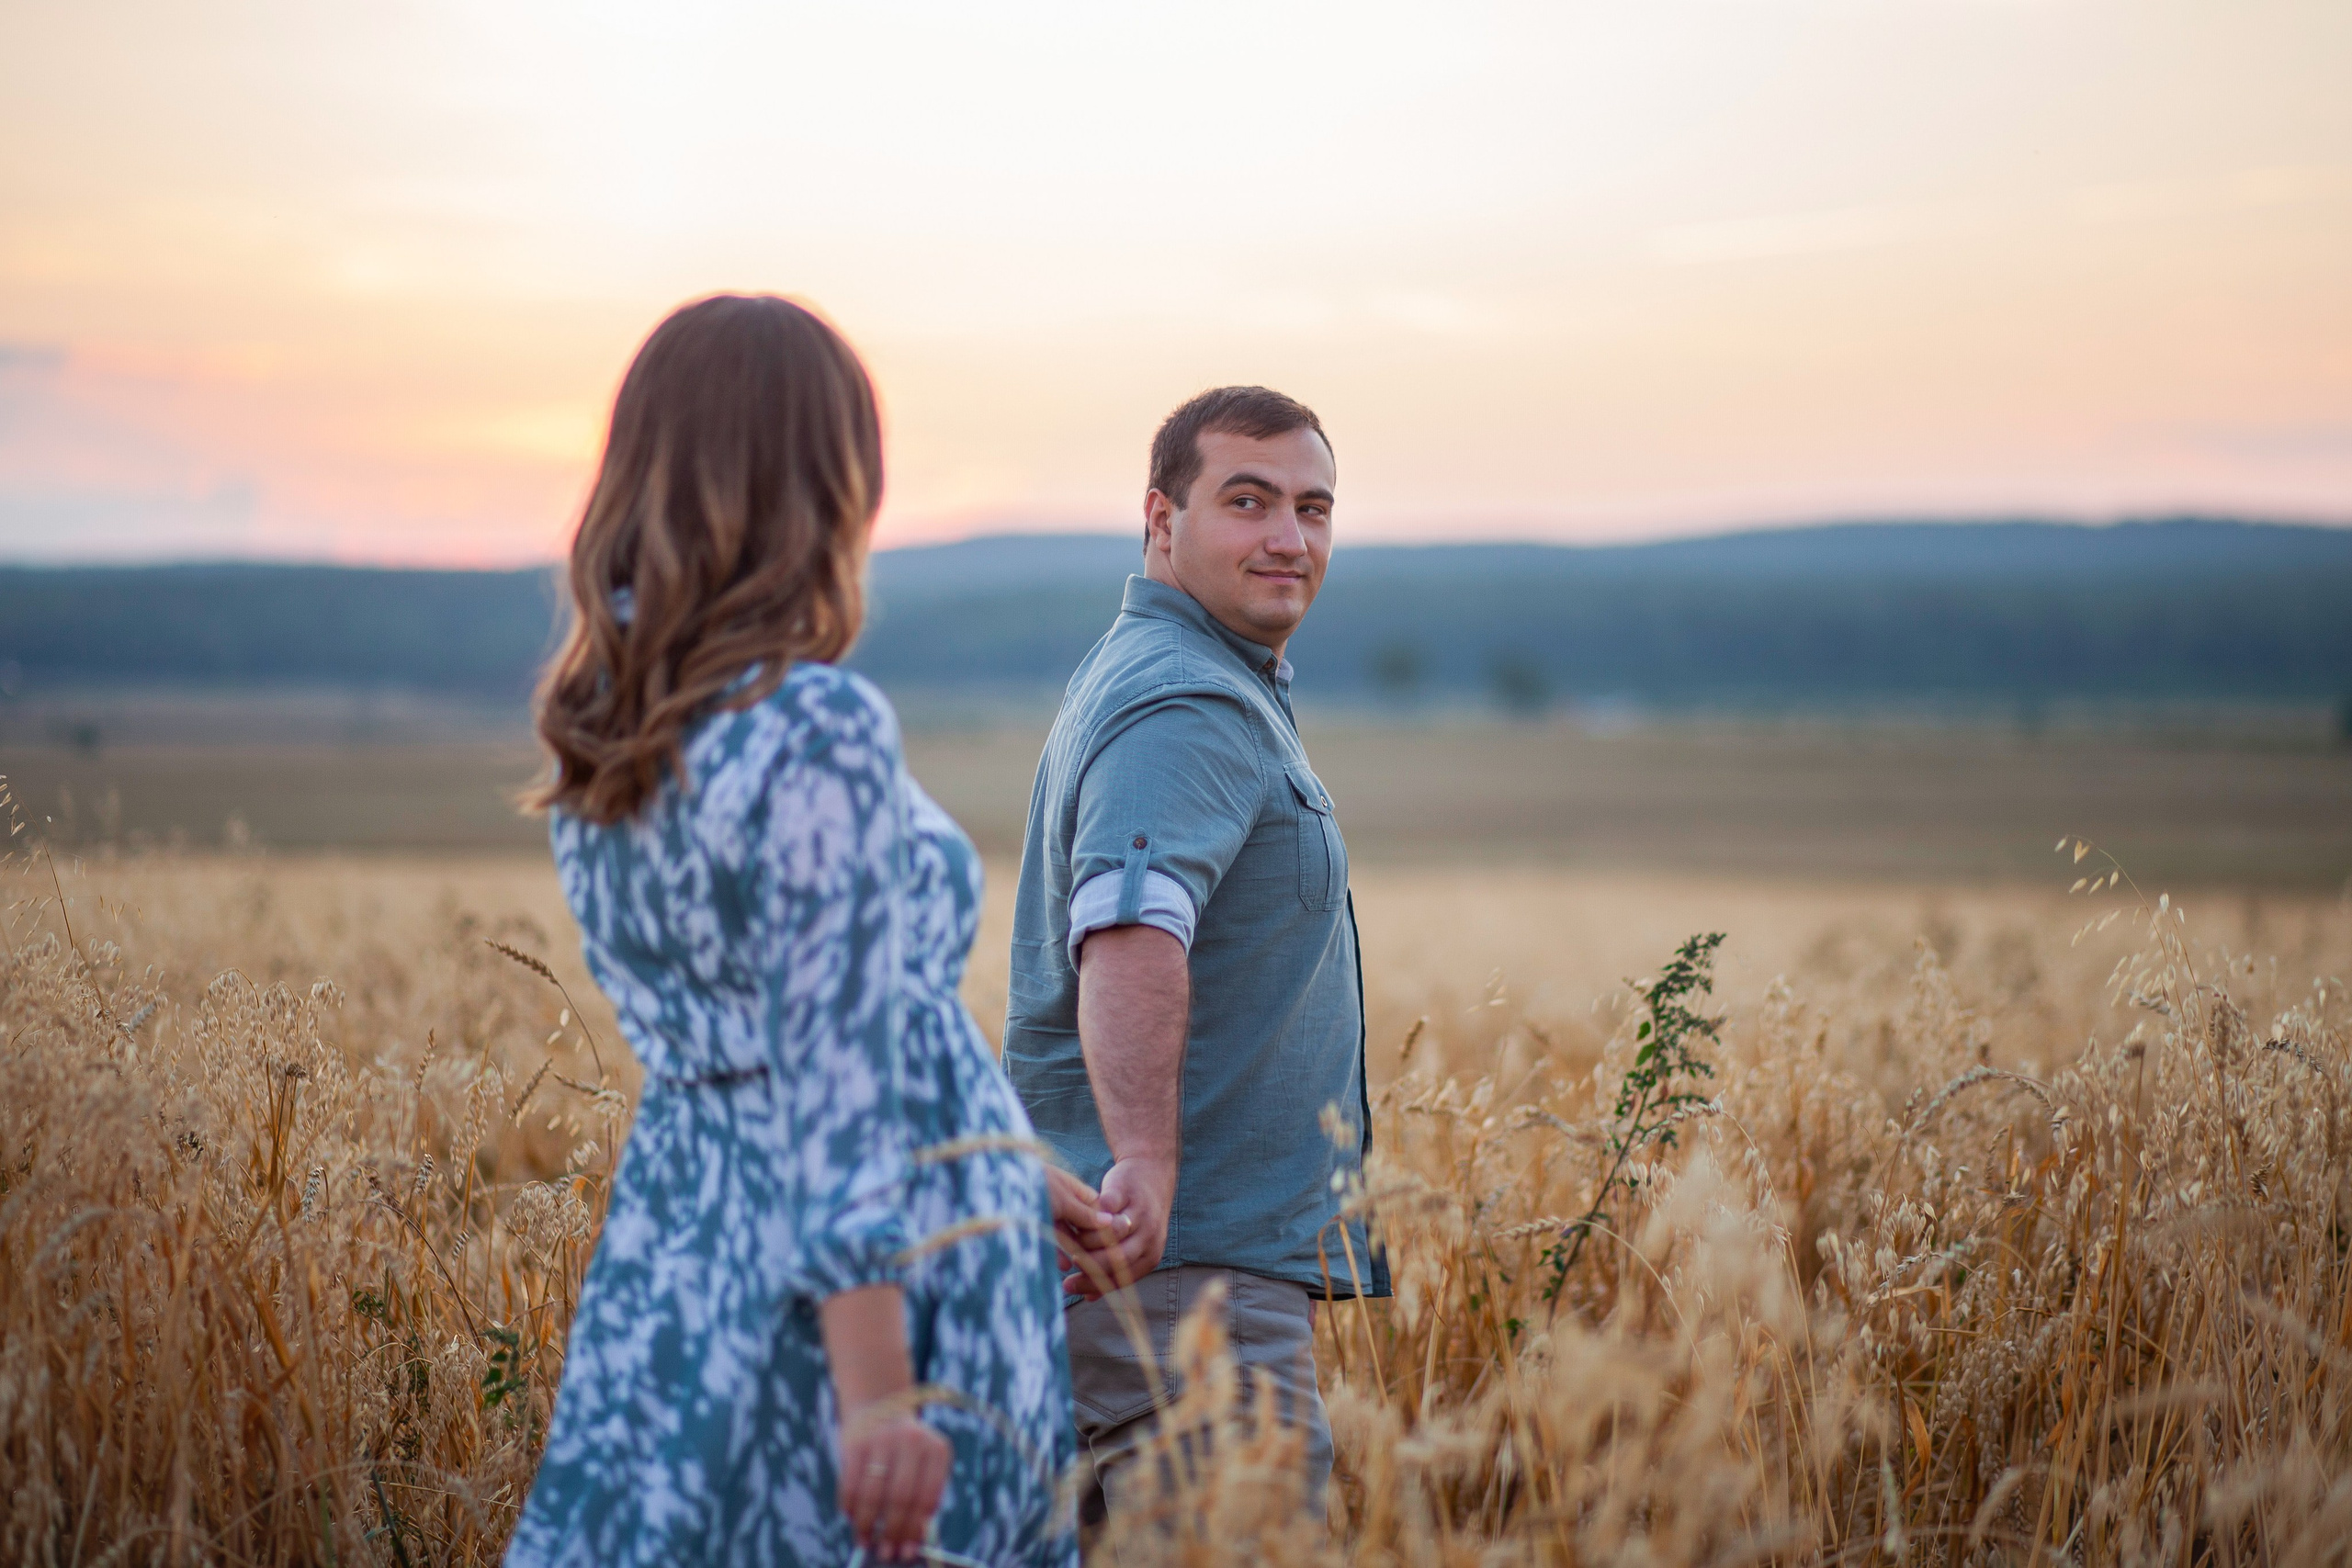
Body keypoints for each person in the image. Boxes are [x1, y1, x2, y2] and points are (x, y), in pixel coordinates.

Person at [508, 294, 1108, 1567]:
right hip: (863, 1295)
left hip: (686, 1246)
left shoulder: (613, 721)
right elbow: (828, 1081)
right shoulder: (815, 725)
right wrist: (882, 1396)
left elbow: (771, 1038)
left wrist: (988, 1153)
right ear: (825, 482)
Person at [1001, 386, 1391, 1522]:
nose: (1288, 537)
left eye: (1313, 508)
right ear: (1159, 520)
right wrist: (1147, 1170)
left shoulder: (1173, 676)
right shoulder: (1186, 702)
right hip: (1183, 1286)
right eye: (1248, 501)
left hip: (1155, 1280)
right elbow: (1131, 929)